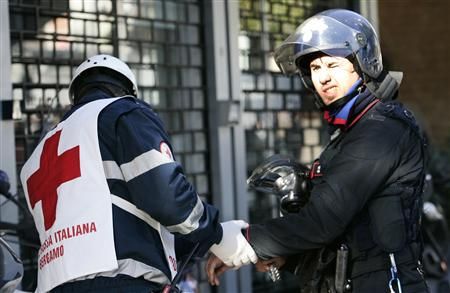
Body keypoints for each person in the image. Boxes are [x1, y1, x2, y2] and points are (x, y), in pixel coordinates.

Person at [207, 9, 428, 292]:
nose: (322, 78)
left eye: (332, 65)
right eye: (314, 69)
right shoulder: (352, 130)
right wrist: (285, 257)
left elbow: (324, 220)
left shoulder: (380, 130)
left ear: (362, 65)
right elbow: (345, 237)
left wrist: (245, 240)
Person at [19, 54, 257, 293]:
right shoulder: (122, 112)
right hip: (122, 284)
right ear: (127, 90)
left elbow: (122, 222)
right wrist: (215, 232)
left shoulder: (38, 156)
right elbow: (166, 197)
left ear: (76, 94)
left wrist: (211, 241)